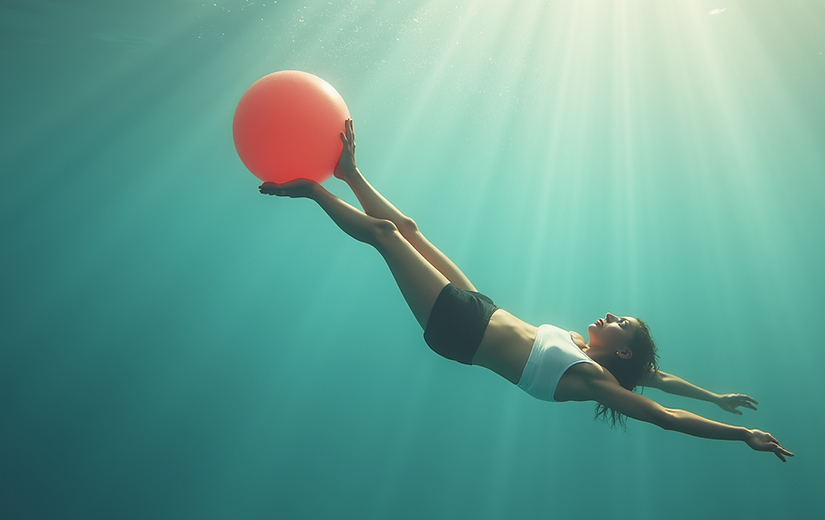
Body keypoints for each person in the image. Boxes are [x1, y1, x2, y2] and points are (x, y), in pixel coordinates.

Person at [260, 120, 793, 462]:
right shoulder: (585, 350)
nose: (610, 315)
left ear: (623, 351)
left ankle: (311, 191)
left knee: (384, 235)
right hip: (482, 307)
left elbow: (665, 415)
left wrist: (740, 435)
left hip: (461, 332)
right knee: (409, 229)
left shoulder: (594, 381)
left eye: (621, 323)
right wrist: (717, 397)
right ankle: (350, 174)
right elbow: (661, 379)